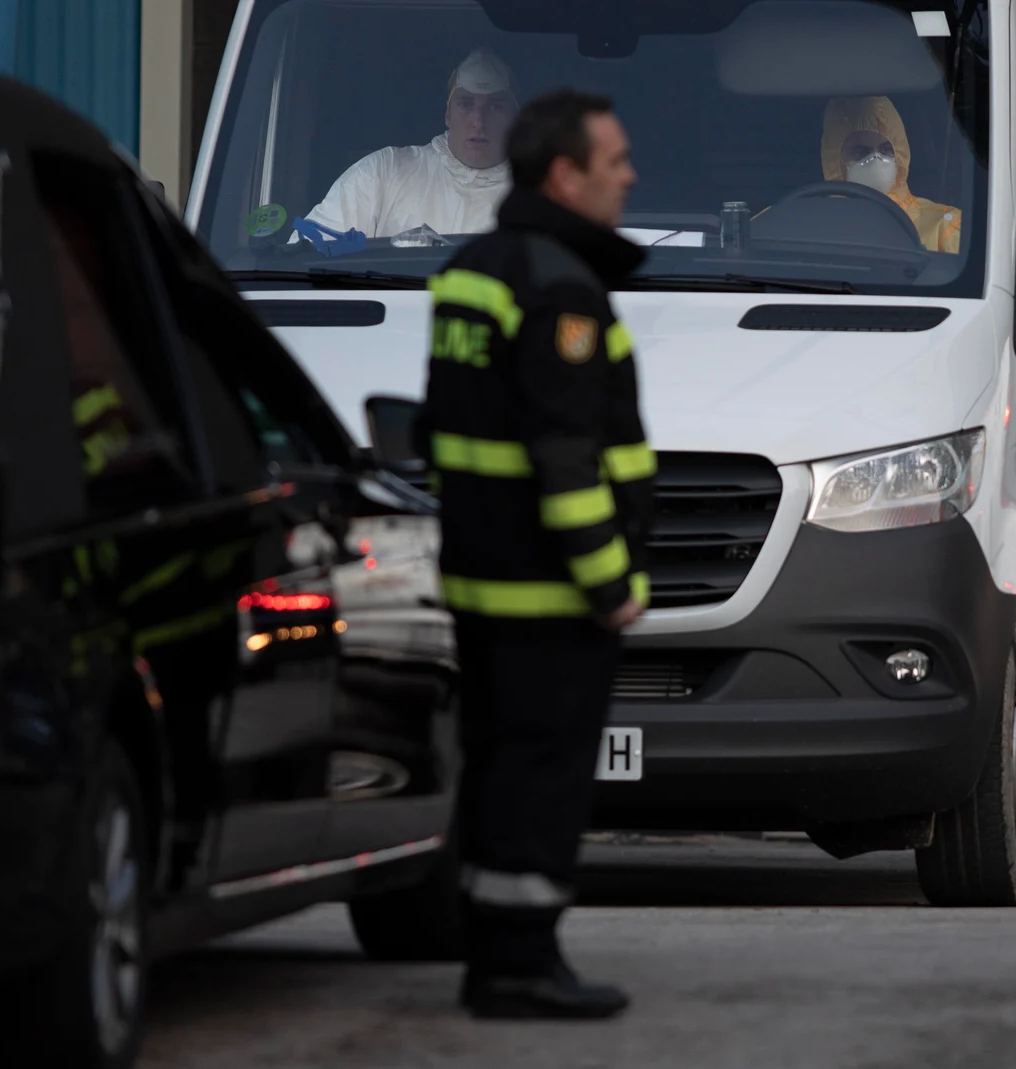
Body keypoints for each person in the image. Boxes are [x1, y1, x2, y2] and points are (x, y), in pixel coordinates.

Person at [420, 89, 650, 1019]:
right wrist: (610, 583)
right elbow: (566, 455)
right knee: (542, 781)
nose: (630, 176)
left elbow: (449, 430)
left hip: (481, 581)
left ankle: (489, 950)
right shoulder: (561, 288)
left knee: (494, 768)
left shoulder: (472, 271)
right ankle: (521, 963)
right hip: (549, 596)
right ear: (565, 174)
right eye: (616, 161)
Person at [298, 48, 517, 240]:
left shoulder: (539, 192)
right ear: (448, 113)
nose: (478, 121)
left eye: (495, 106)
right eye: (466, 104)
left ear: (514, 115)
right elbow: (311, 255)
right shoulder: (384, 172)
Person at [820, 96, 962, 253]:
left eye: (886, 149)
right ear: (833, 160)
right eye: (861, 152)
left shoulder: (944, 226)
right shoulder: (816, 230)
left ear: (900, 153)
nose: (875, 159)